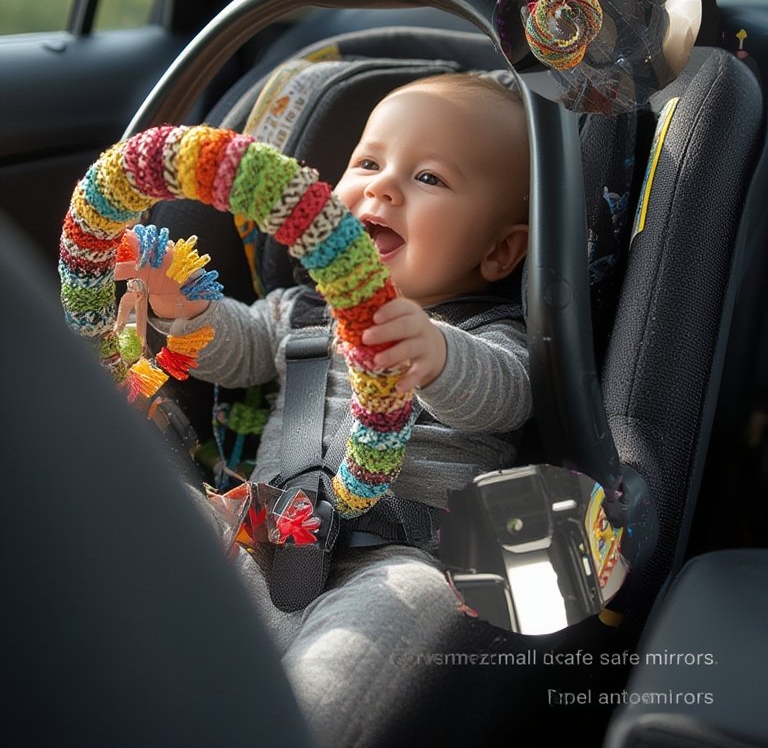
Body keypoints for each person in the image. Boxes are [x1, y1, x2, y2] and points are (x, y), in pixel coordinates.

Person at [150, 71, 531, 747]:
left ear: (499, 251)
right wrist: (187, 312)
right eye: (368, 163)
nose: (383, 189)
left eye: (429, 178)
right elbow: (238, 349)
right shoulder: (302, 310)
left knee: (427, 606)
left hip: (396, 564)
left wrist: (435, 353)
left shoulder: (492, 337)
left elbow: (504, 395)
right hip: (255, 535)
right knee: (147, 505)